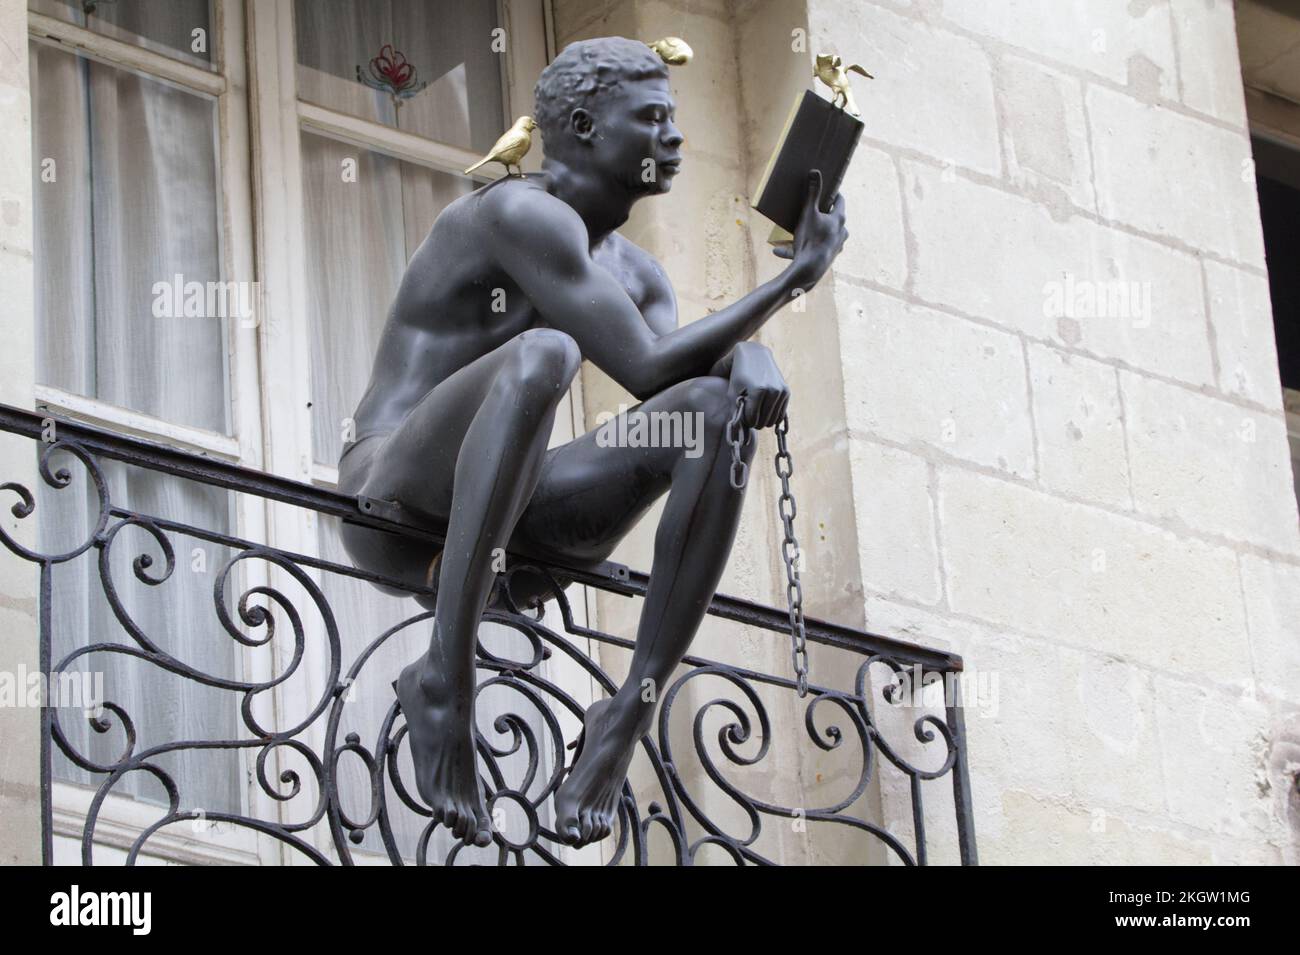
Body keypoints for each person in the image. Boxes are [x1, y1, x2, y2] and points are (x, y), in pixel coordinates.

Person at [338, 36, 848, 849]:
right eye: (650, 119)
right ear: (579, 125)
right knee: (547, 352)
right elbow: (643, 363)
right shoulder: (516, 212)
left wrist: (744, 358)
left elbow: (672, 386)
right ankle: (446, 677)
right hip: (397, 498)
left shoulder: (641, 276)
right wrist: (788, 282)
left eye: (674, 119)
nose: (673, 138)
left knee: (716, 410)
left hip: (522, 521)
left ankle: (625, 714)